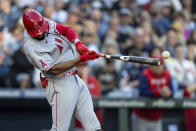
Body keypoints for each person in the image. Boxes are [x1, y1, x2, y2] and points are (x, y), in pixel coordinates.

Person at [22, 9, 102, 131]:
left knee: (93, 124)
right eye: (37, 32)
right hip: (58, 83)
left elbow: (65, 30)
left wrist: (78, 43)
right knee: (59, 129)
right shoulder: (31, 47)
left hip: (74, 78)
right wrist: (79, 59)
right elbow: (53, 69)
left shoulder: (43, 22)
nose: (41, 33)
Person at [132, 56, 173, 131]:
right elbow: (143, 91)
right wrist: (159, 92)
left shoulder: (167, 74)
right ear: (150, 66)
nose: (158, 67)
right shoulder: (145, 74)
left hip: (157, 117)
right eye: (155, 64)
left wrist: (168, 93)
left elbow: (172, 92)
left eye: (160, 64)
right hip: (142, 116)